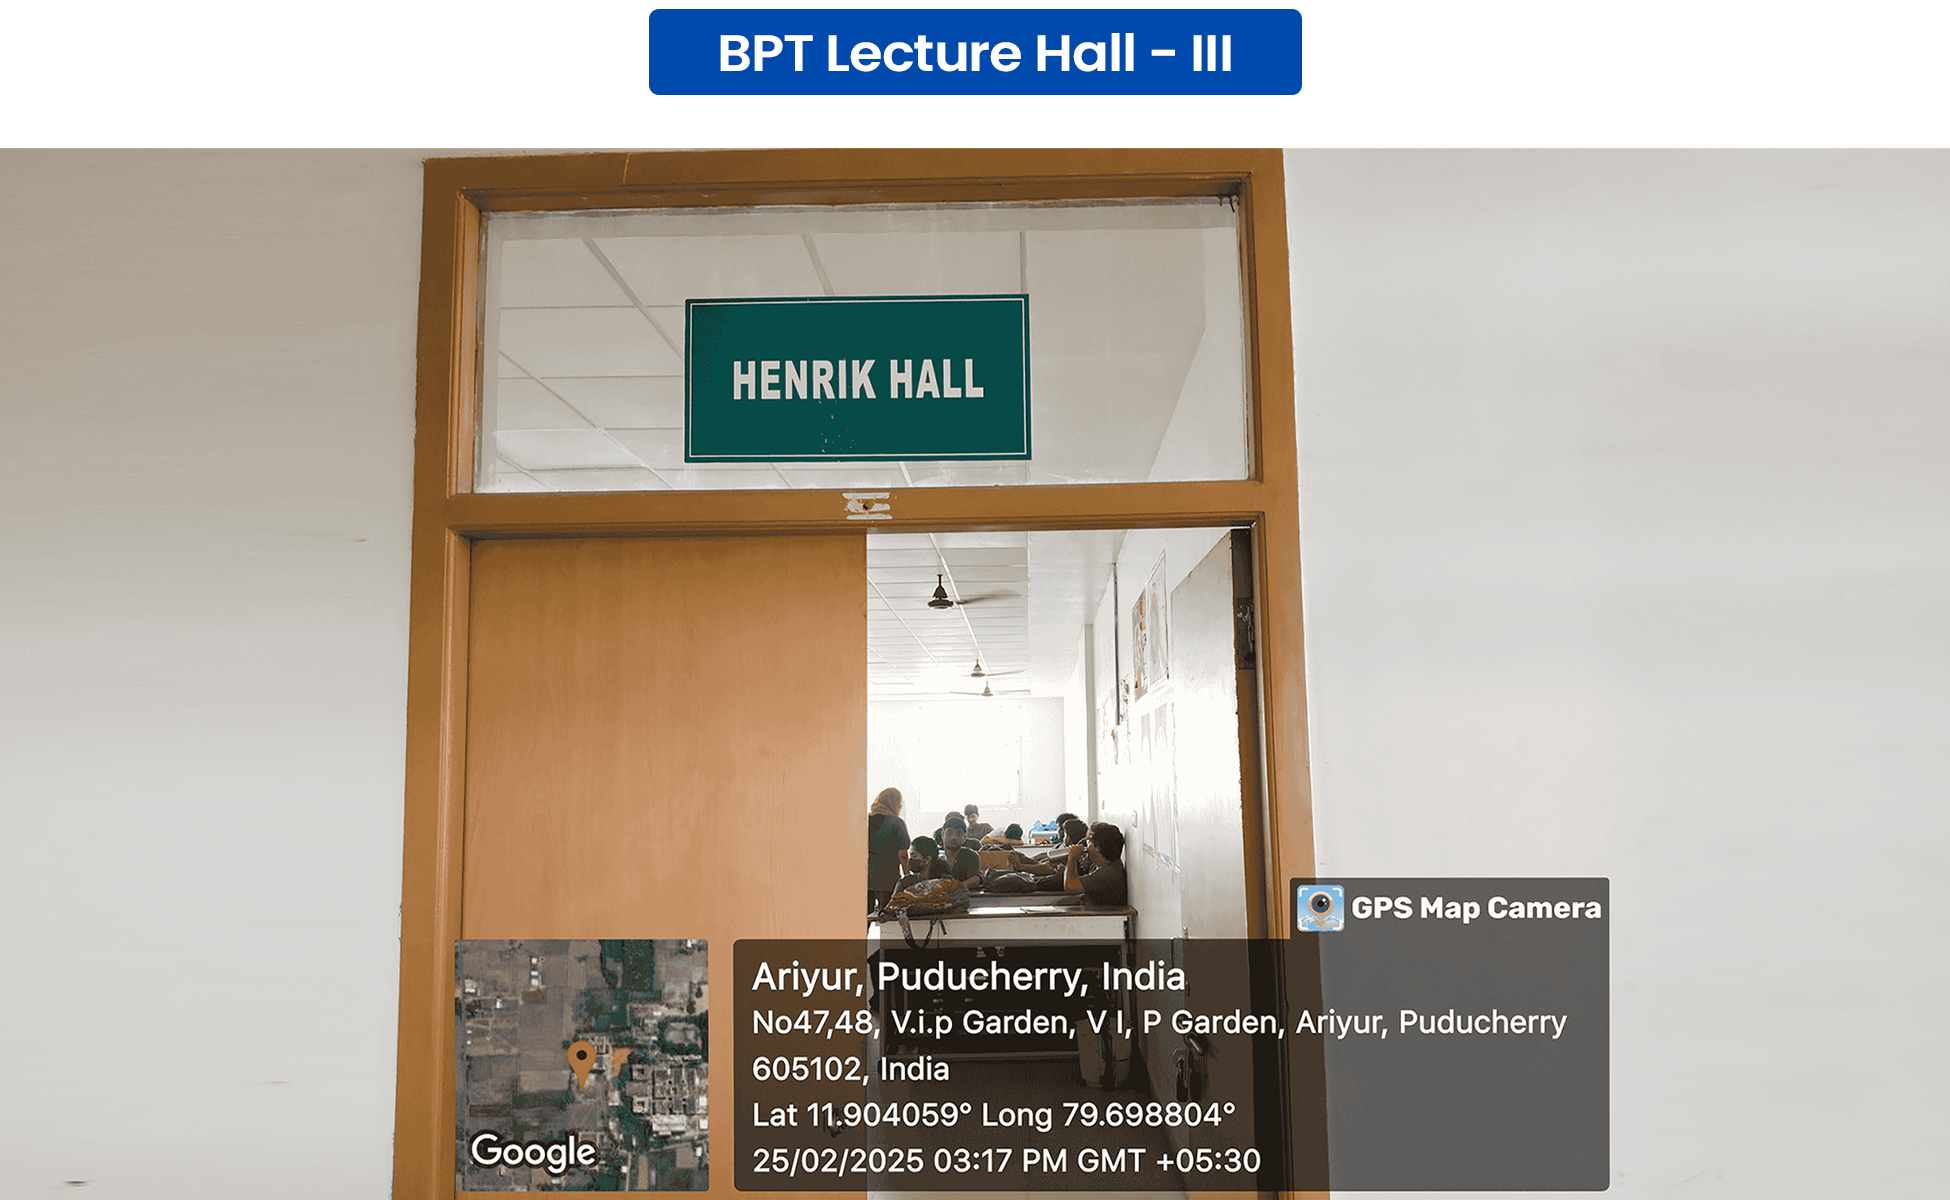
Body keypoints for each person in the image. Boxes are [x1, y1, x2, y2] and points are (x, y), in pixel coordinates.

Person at [1064, 822, 1128, 907]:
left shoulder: (1108, 874)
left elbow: (1070, 886)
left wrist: (1072, 858)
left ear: (1097, 847)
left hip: (1099, 915)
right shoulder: (1102, 866)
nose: (1087, 848)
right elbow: (1082, 896)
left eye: (1088, 844)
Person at [866, 787, 910, 913]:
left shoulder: (865, 821)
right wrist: (907, 877)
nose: (900, 806)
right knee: (886, 915)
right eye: (899, 802)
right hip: (887, 879)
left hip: (865, 877)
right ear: (894, 803)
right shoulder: (897, 823)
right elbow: (903, 855)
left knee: (864, 917)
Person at [936, 815, 982, 882]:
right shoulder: (936, 856)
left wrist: (958, 886)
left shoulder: (971, 856)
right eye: (949, 833)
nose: (953, 837)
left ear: (964, 838)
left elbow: (975, 879)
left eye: (959, 834)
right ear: (942, 835)